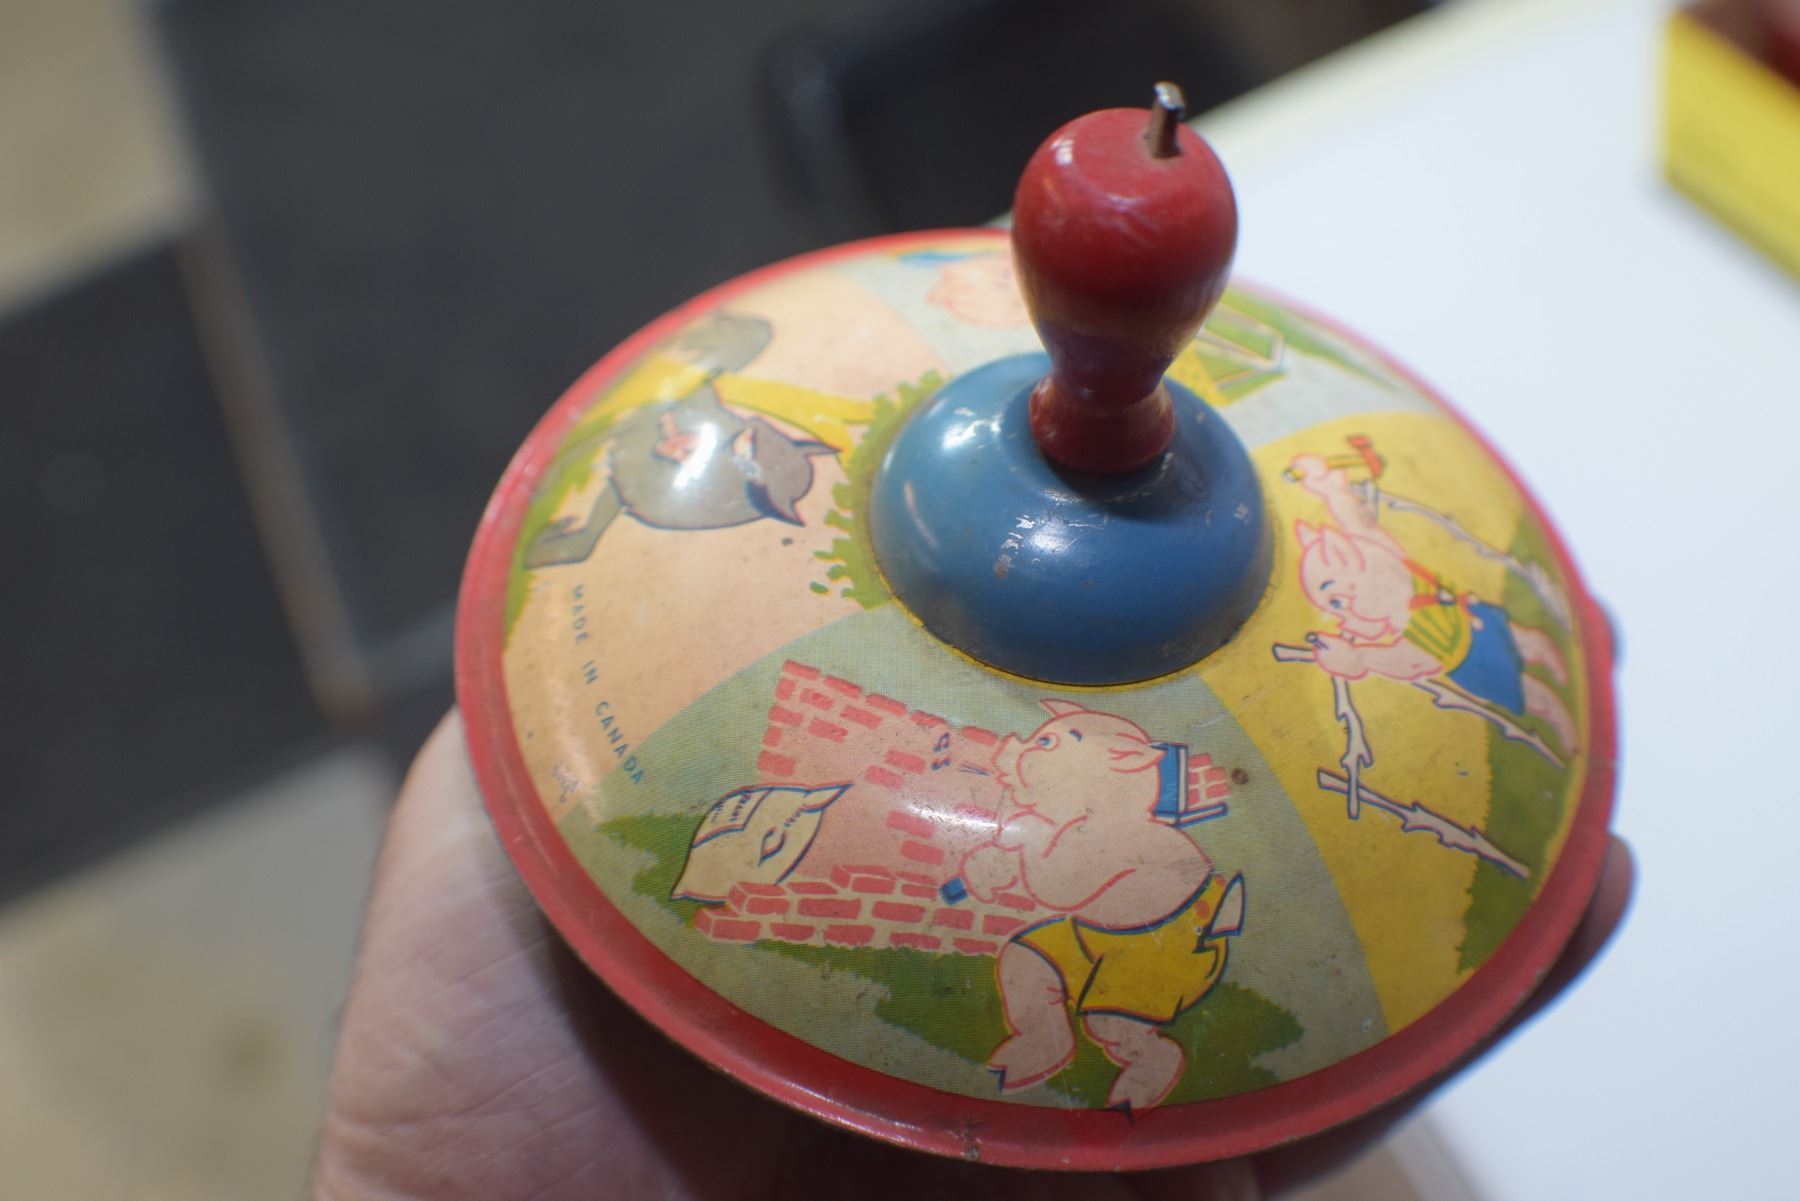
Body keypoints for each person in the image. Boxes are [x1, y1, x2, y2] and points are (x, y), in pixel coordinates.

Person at [311, 714, 1632, 1201]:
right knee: (1067, 989)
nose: (1029, 767)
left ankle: (1082, 1029)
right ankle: (1119, 1045)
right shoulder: (1114, 808)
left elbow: (1052, 874)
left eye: (1048, 753)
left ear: (1112, 768)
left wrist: (1005, 869)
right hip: (1156, 964)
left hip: (1134, 942)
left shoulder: (1107, 828)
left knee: (1039, 964)